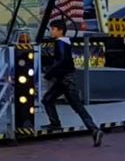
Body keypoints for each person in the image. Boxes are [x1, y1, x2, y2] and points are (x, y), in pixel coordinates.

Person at [42, 18, 104, 146]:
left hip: (66, 80)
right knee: (48, 99)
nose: (51, 31)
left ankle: (94, 129)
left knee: (74, 105)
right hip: (65, 80)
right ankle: (56, 123)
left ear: (60, 31)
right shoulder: (65, 42)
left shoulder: (60, 43)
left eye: (53, 29)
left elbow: (62, 60)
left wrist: (49, 73)